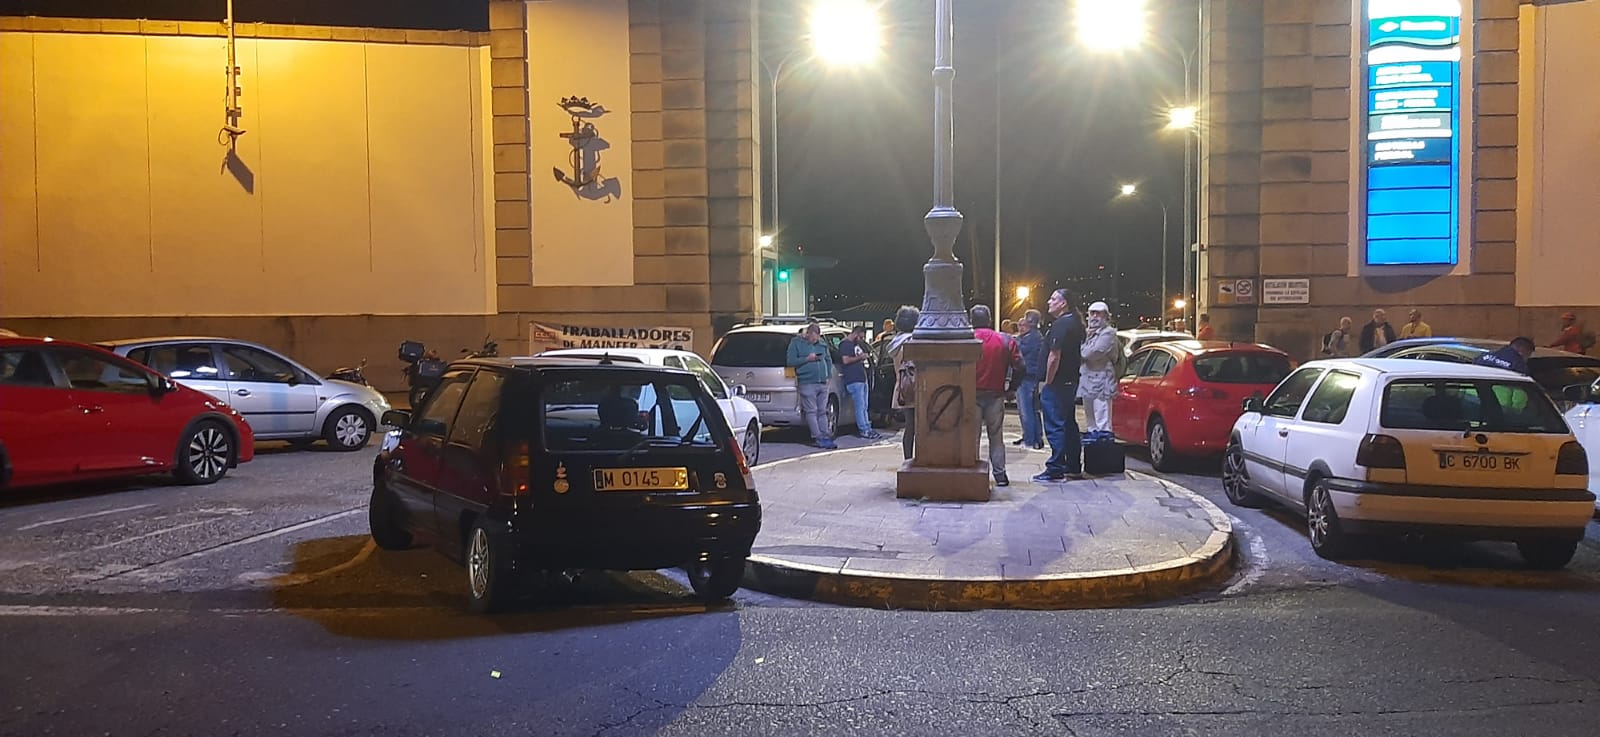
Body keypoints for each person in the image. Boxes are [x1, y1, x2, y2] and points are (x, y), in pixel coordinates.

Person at [1034, 288, 1085, 482]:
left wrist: (1048, 381)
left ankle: (1055, 467)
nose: (1049, 301)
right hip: (1070, 381)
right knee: (1069, 424)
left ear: (1063, 303)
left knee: (1055, 425)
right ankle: (1073, 465)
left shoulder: (1061, 325)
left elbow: (1054, 356)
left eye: (1054, 298)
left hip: (1058, 382)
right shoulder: (1075, 323)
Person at [971, 305, 1023, 486]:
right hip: (995, 394)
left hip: (971, 394)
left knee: (972, 436)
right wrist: (1011, 388)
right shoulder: (1005, 340)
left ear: (971, 321)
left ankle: (972, 473)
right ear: (990, 320)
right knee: (996, 436)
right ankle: (1000, 475)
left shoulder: (965, 339)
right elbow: (1020, 367)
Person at [786, 322, 837, 449]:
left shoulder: (822, 345)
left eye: (817, 338)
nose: (814, 340)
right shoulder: (797, 343)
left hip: (822, 383)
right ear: (807, 334)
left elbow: (828, 359)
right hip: (807, 382)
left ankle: (825, 435)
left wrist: (828, 375)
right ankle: (817, 437)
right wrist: (807, 359)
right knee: (811, 411)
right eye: (812, 338)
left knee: (822, 411)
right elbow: (790, 361)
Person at [1079, 301, 1119, 435]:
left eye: (1098, 313)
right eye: (1092, 313)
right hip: (1087, 379)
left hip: (1102, 381)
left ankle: (1103, 447)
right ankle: (1094, 447)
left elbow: (1093, 353)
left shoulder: (1108, 333)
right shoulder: (1087, 333)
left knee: (1102, 419)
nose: (1094, 316)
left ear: (1106, 316)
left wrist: (1082, 351)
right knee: (1090, 420)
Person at [838, 324, 882, 440]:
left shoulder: (855, 345)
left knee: (864, 405)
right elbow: (846, 360)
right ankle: (864, 429)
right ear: (856, 334)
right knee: (860, 405)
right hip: (853, 379)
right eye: (861, 337)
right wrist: (860, 357)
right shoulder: (845, 344)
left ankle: (868, 427)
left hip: (861, 378)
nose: (862, 340)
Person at [887, 306, 919, 460]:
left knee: (909, 427)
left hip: (903, 388)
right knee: (921, 427)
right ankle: (919, 458)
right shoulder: (913, 342)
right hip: (918, 387)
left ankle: (907, 459)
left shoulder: (895, 343)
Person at [1012, 309, 1046, 450]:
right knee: (1033, 409)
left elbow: (1018, 350)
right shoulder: (1035, 336)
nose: (1022, 324)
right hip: (1031, 376)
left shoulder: (1031, 338)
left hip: (1026, 377)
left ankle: (1030, 439)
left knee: (1026, 410)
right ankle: (1034, 437)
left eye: (1025, 320)